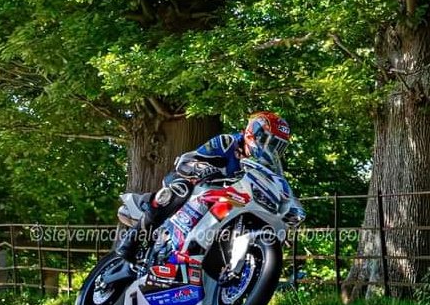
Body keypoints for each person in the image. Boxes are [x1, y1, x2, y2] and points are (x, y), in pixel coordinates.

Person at [115, 111, 305, 261]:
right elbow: (188, 160)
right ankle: (131, 240)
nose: (270, 149)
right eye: (268, 142)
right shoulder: (227, 142)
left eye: (276, 147)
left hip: (225, 201)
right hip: (194, 185)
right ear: (252, 132)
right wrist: (202, 169)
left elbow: (277, 188)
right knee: (180, 189)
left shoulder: (264, 169)